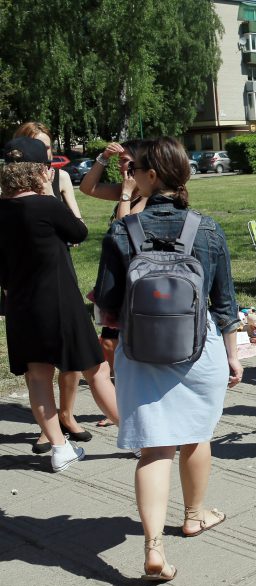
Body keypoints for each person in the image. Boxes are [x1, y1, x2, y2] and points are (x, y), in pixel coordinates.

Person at [93, 137, 243, 581]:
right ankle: (195, 515)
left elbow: (108, 304)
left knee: (154, 447)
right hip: (199, 349)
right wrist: (234, 357)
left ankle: (153, 546)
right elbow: (225, 304)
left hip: (140, 352)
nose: (130, 176)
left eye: (135, 168)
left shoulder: (122, 230)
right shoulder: (208, 229)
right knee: (197, 434)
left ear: (152, 175)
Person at [0, 137, 121, 471]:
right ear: (41, 170)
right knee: (97, 370)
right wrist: (49, 194)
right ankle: (136, 438)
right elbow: (79, 233)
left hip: (20, 305)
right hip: (58, 302)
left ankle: (58, 447)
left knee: (37, 377)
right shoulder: (46, 205)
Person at [13, 122, 91, 445]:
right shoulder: (10, 185)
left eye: (48, 147)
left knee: (70, 353)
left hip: (59, 271)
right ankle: (48, 429)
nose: (46, 153)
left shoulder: (60, 178)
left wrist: (50, 197)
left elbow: (78, 224)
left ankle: (67, 413)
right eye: (39, 147)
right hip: (23, 276)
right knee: (38, 359)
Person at [80, 139, 153, 418]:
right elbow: (87, 188)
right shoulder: (131, 190)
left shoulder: (146, 195)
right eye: (121, 160)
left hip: (136, 285)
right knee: (111, 344)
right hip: (118, 280)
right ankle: (125, 402)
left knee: (118, 344)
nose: (121, 166)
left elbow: (124, 231)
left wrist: (125, 194)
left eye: (125, 161)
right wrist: (102, 159)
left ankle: (131, 404)